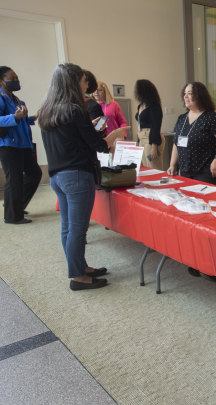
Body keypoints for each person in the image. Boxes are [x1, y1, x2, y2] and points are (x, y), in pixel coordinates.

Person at [38, 63, 130, 290]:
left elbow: (70, 138)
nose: (87, 85)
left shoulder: (49, 110)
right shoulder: (75, 110)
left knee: (68, 228)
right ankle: (78, 277)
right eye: (83, 81)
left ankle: (80, 267)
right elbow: (99, 146)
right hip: (77, 176)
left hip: (57, 176)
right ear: (72, 83)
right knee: (78, 230)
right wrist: (116, 134)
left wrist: (88, 128)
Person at [167, 82, 216, 283]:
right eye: (184, 93)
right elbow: (177, 144)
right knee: (189, 215)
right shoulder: (181, 118)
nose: (186, 97)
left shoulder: (211, 118)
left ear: (200, 96)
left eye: (190, 94)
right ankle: (194, 259)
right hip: (185, 172)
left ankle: (211, 265)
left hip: (206, 171)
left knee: (207, 217)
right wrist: (172, 165)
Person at [0, 66, 42, 224]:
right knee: (14, 180)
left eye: (16, 77)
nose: (16, 80)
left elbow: (21, 120)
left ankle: (15, 205)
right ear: (1, 81)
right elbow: (10, 119)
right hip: (8, 145)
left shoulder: (16, 100)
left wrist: (33, 117)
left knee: (35, 174)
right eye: (11, 79)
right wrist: (14, 116)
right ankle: (13, 216)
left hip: (23, 144)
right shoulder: (0, 98)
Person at [134, 79, 165, 170]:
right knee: (144, 167)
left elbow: (156, 126)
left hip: (150, 138)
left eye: (137, 89)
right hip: (141, 137)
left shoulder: (154, 106)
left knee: (153, 166)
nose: (135, 92)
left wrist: (154, 147)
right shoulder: (140, 106)